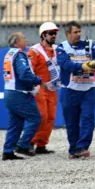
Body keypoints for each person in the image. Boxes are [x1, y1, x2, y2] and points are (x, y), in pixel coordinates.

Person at [56, 21, 95, 159]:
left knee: (87, 117)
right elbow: (65, 64)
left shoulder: (89, 45)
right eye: (75, 32)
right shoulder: (62, 48)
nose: (78, 34)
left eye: (79, 31)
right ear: (68, 33)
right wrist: (82, 67)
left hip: (88, 89)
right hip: (70, 90)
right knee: (71, 121)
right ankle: (74, 149)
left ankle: (82, 146)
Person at [2, 32, 43, 161]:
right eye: (24, 38)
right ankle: (23, 145)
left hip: (9, 92)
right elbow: (24, 74)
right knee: (35, 118)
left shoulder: (9, 54)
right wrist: (38, 81)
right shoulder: (19, 55)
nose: (26, 40)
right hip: (18, 93)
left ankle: (8, 151)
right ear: (17, 42)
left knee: (15, 123)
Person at [28, 22, 61, 155]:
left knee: (51, 117)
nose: (54, 36)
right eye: (51, 33)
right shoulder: (34, 51)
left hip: (52, 88)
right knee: (41, 116)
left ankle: (41, 145)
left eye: (55, 33)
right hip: (39, 87)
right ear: (43, 35)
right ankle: (30, 142)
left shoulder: (58, 50)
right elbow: (30, 70)